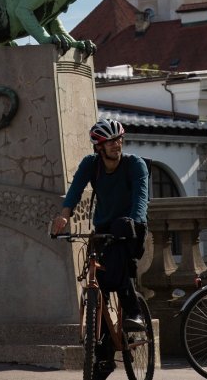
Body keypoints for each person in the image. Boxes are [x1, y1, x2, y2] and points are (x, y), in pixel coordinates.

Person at [52, 118, 149, 380]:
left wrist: (135, 221)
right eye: (110, 142)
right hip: (104, 228)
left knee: (119, 264)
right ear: (99, 147)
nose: (116, 145)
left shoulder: (134, 165)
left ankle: (134, 313)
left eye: (118, 140)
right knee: (101, 285)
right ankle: (105, 355)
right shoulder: (90, 165)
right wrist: (64, 216)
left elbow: (141, 197)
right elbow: (74, 191)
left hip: (131, 227)